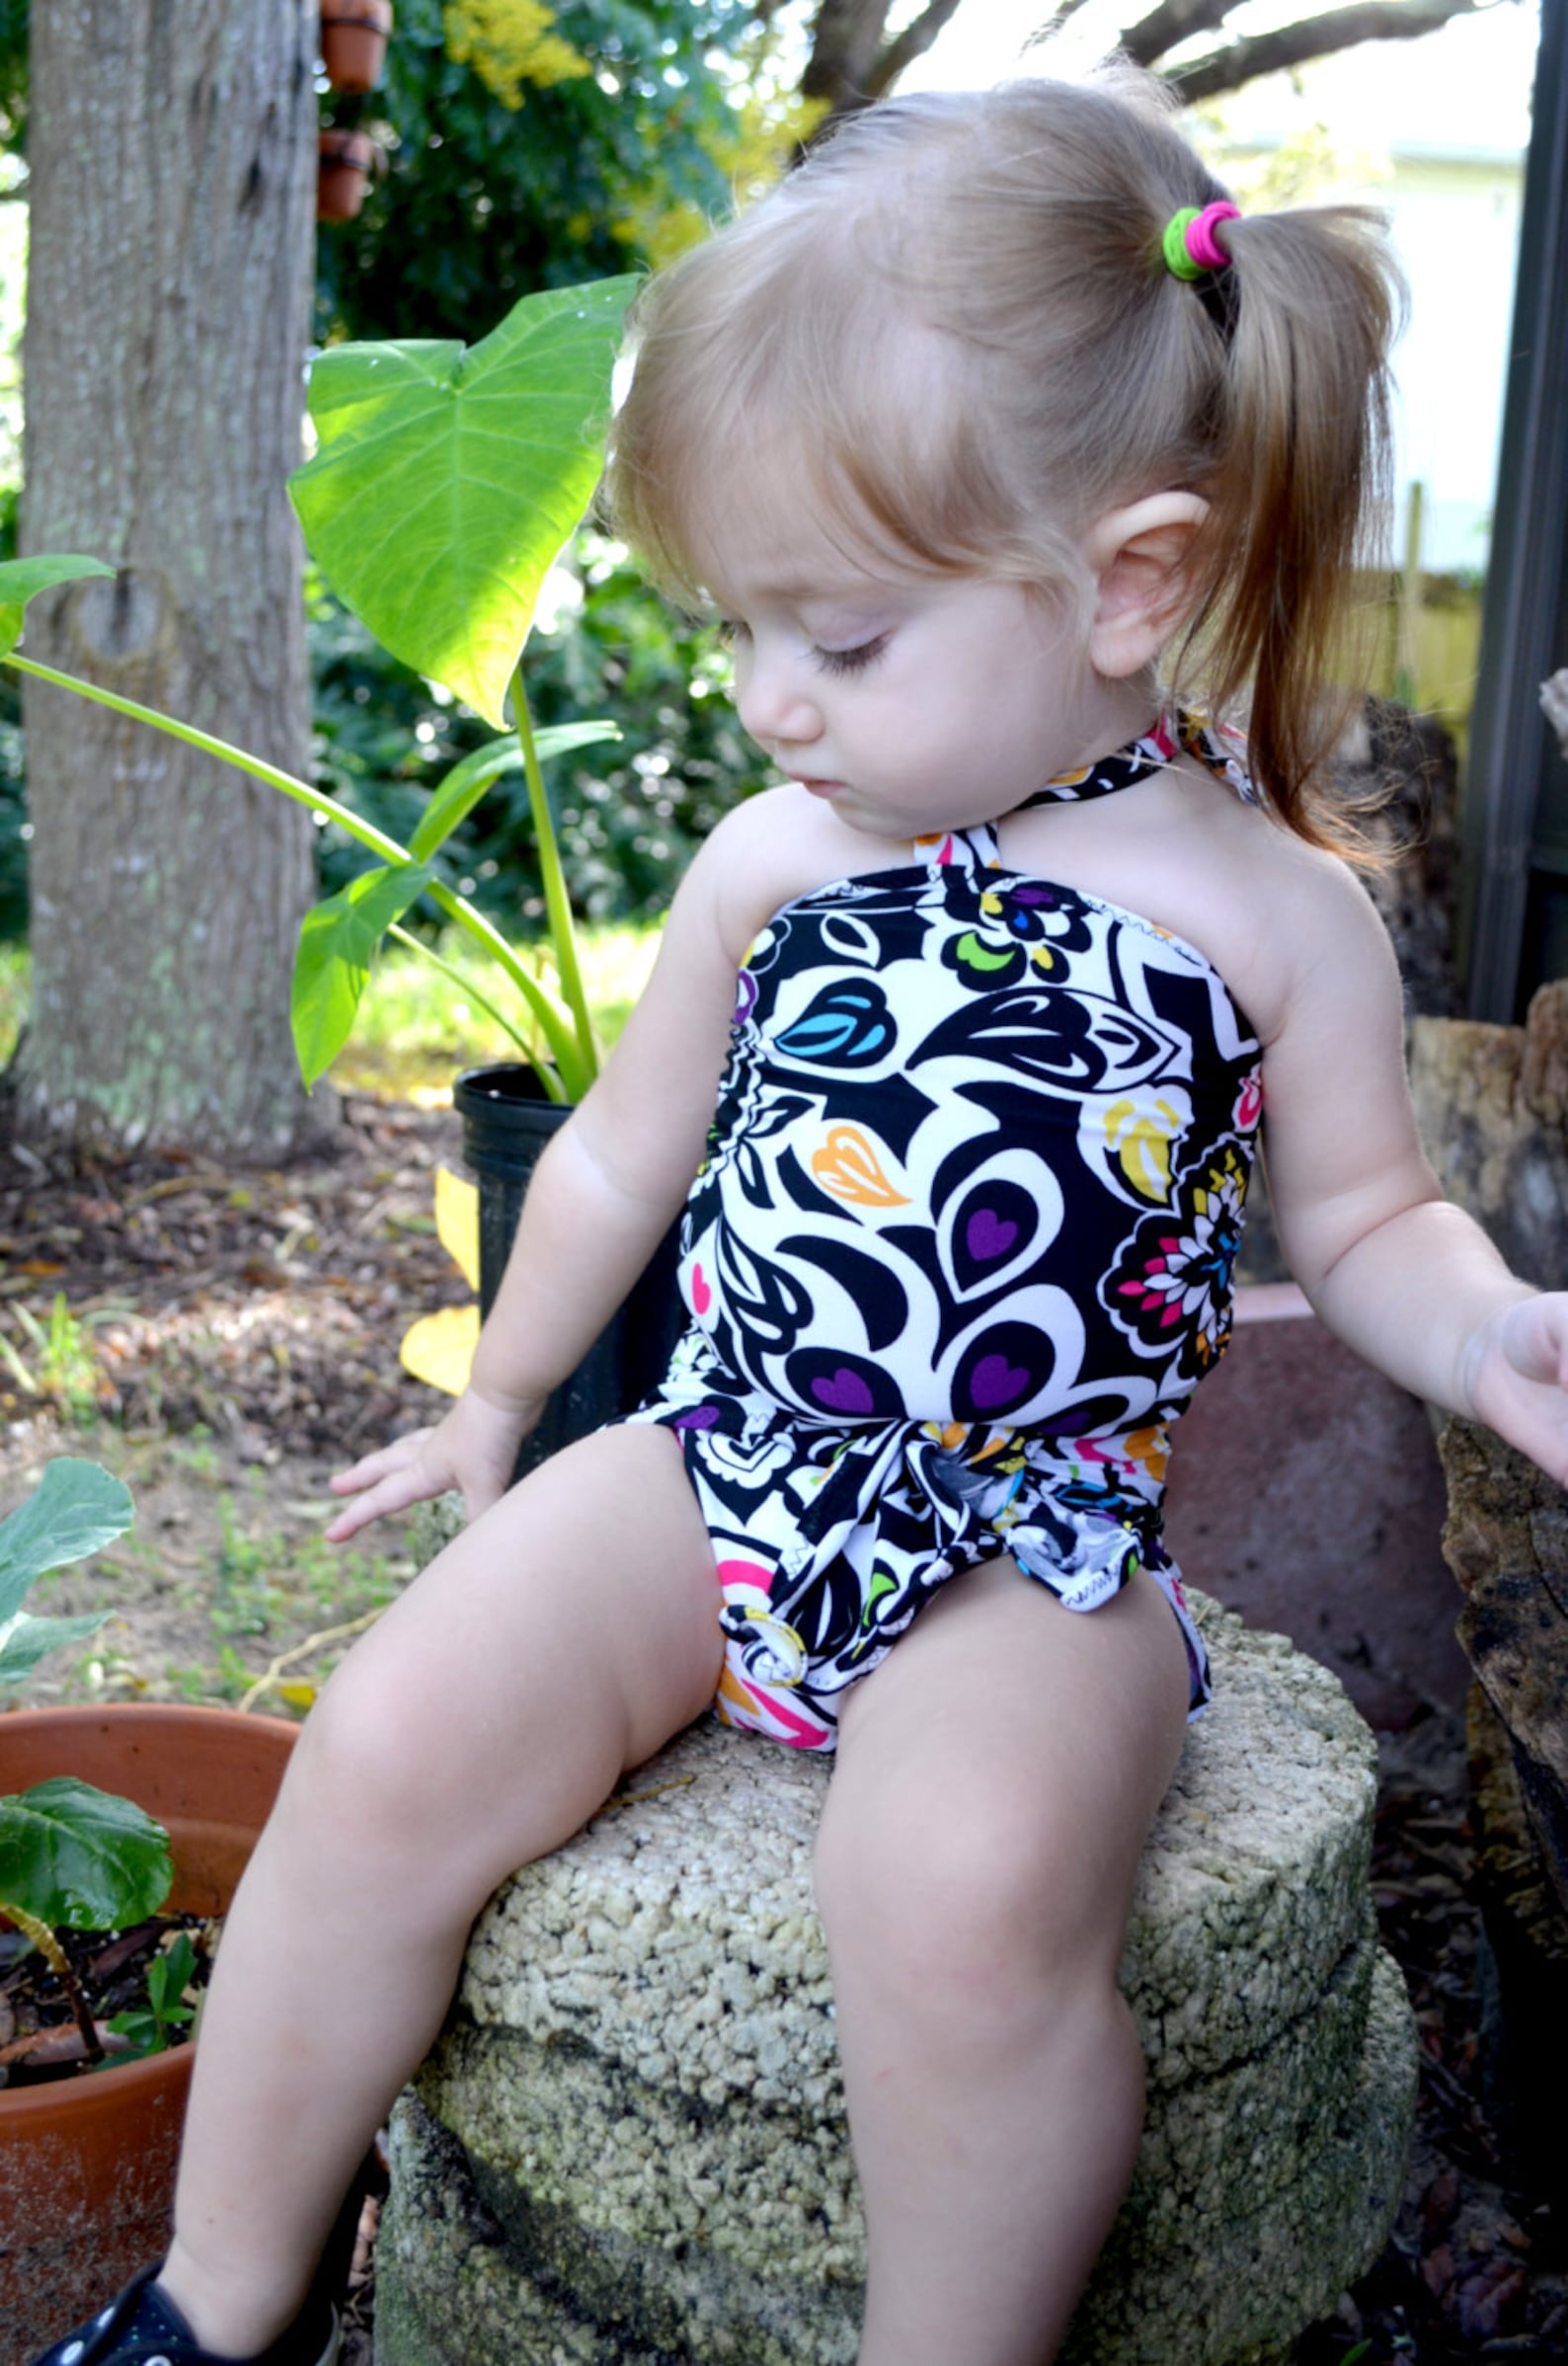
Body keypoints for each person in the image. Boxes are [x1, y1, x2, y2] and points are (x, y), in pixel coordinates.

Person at [34, 64, 1568, 2366]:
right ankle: (219, 2301)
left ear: (1123, 583)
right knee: (388, 1742)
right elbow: (630, 1152)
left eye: (839, 643)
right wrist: (510, 1402)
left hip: (1024, 1553)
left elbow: (1354, 1224)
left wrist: (1480, 1332)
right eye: (739, 635)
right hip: (721, 1464)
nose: (768, 705)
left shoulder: (1272, 920)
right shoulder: (777, 865)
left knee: (953, 1901)